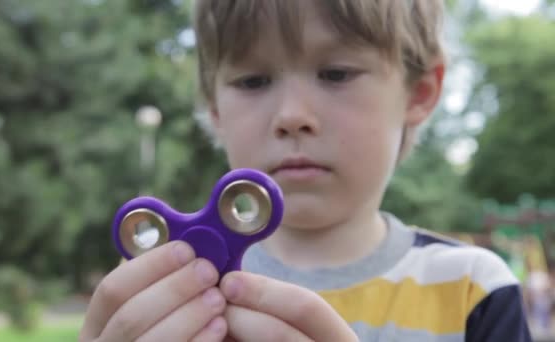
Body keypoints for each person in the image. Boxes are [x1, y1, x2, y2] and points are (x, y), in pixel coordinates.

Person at [79, 1, 532, 341]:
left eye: (335, 73)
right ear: (214, 108)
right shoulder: (173, 286)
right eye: (252, 81)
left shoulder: (472, 290)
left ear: (419, 93)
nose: (292, 115)